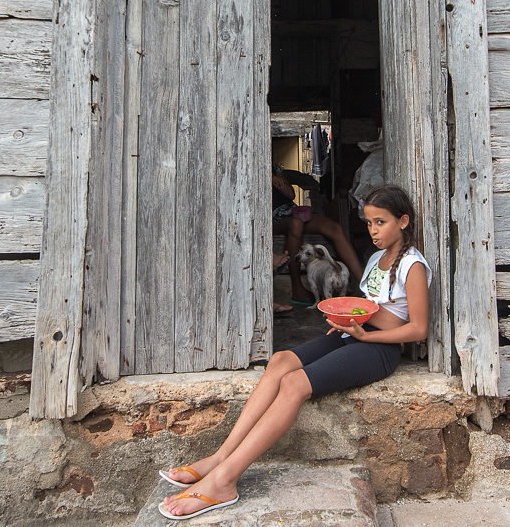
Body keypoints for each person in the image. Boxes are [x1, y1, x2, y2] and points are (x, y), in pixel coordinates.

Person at [158, 184, 431, 520]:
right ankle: (219, 458)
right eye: (370, 223)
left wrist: (364, 332)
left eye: (381, 222)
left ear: (403, 221)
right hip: (355, 333)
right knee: (280, 360)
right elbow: (368, 305)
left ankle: (224, 482)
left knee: (294, 384)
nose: (373, 231)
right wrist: (347, 321)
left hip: (380, 349)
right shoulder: (376, 259)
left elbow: (418, 328)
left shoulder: (412, 266)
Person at [271, 164, 363, 304]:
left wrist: (279, 182)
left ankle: (364, 285)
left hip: (291, 213)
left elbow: (291, 194)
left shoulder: (274, 168)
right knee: (296, 224)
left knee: (333, 227)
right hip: (270, 218)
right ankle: (298, 290)